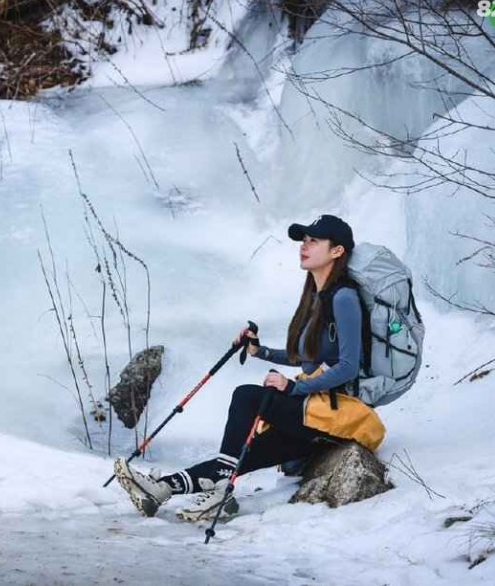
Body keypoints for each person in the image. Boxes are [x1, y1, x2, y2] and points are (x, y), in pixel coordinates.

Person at [114, 215, 364, 521]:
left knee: (246, 396)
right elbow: (307, 357)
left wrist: (294, 387)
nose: (304, 246)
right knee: (238, 459)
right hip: (312, 412)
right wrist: (259, 351)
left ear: (337, 251)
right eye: (303, 240)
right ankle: (160, 491)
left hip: (335, 414)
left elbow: (349, 366)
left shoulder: (345, 298)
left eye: (314, 240)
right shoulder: (316, 296)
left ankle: (219, 492)